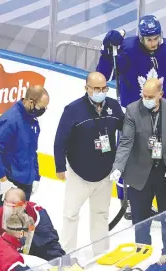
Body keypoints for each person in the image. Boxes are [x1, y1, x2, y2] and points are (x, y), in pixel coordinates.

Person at [97, 14, 166, 222]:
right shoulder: (126, 48)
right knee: (127, 159)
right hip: (131, 114)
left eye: (156, 38)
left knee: (155, 158)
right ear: (141, 37)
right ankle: (126, 203)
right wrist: (106, 50)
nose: (153, 43)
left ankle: (149, 201)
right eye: (148, 39)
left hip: (158, 115)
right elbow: (103, 75)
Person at [110, 78, 166, 264]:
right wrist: (118, 167)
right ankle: (142, 257)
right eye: (144, 95)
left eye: (151, 96)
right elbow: (126, 142)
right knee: (141, 221)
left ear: (161, 94)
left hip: (164, 173)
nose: (146, 99)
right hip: (139, 175)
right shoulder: (132, 110)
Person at [54, 72, 124, 255]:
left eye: (104, 88)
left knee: (101, 215)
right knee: (71, 214)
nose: (101, 92)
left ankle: (101, 253)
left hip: (105, 174)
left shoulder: (114, 107)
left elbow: (126, 132)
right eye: (97, 89)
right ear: (87, 88)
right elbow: (61, 139)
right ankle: (67, 255)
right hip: (79, 174)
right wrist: (59, 166)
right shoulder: (73, 110)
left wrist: (121, 163)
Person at [0, 85, 49, 210]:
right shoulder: (10, 120)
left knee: (20, 224)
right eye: (42, 107)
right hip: (8, 181)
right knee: (3, 224)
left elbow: (32, 151)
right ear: (31, 102)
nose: (43, 110)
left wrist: (35, 176)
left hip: (24, 182)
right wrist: (3, 181)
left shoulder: (32, 120)